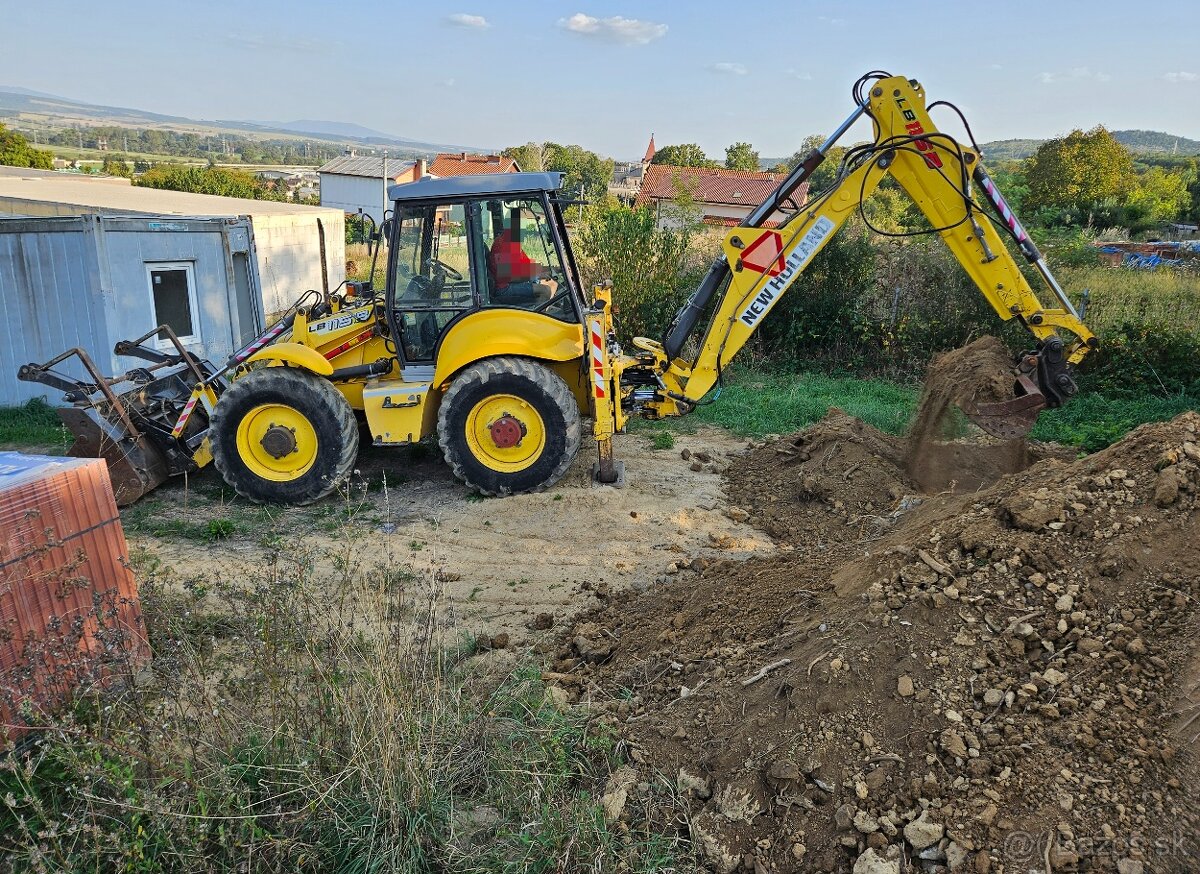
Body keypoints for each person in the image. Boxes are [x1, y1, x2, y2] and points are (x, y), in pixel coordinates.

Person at [487, 211, 558, 304]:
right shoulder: (503, 245)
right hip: (504, 288)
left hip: (511, 282)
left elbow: (528, 265)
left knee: (553, 284)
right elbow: (507, 275)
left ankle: (543, 311)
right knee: (545, 290)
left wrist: (555, 269)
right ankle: (536, 315)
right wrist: (536, 275)